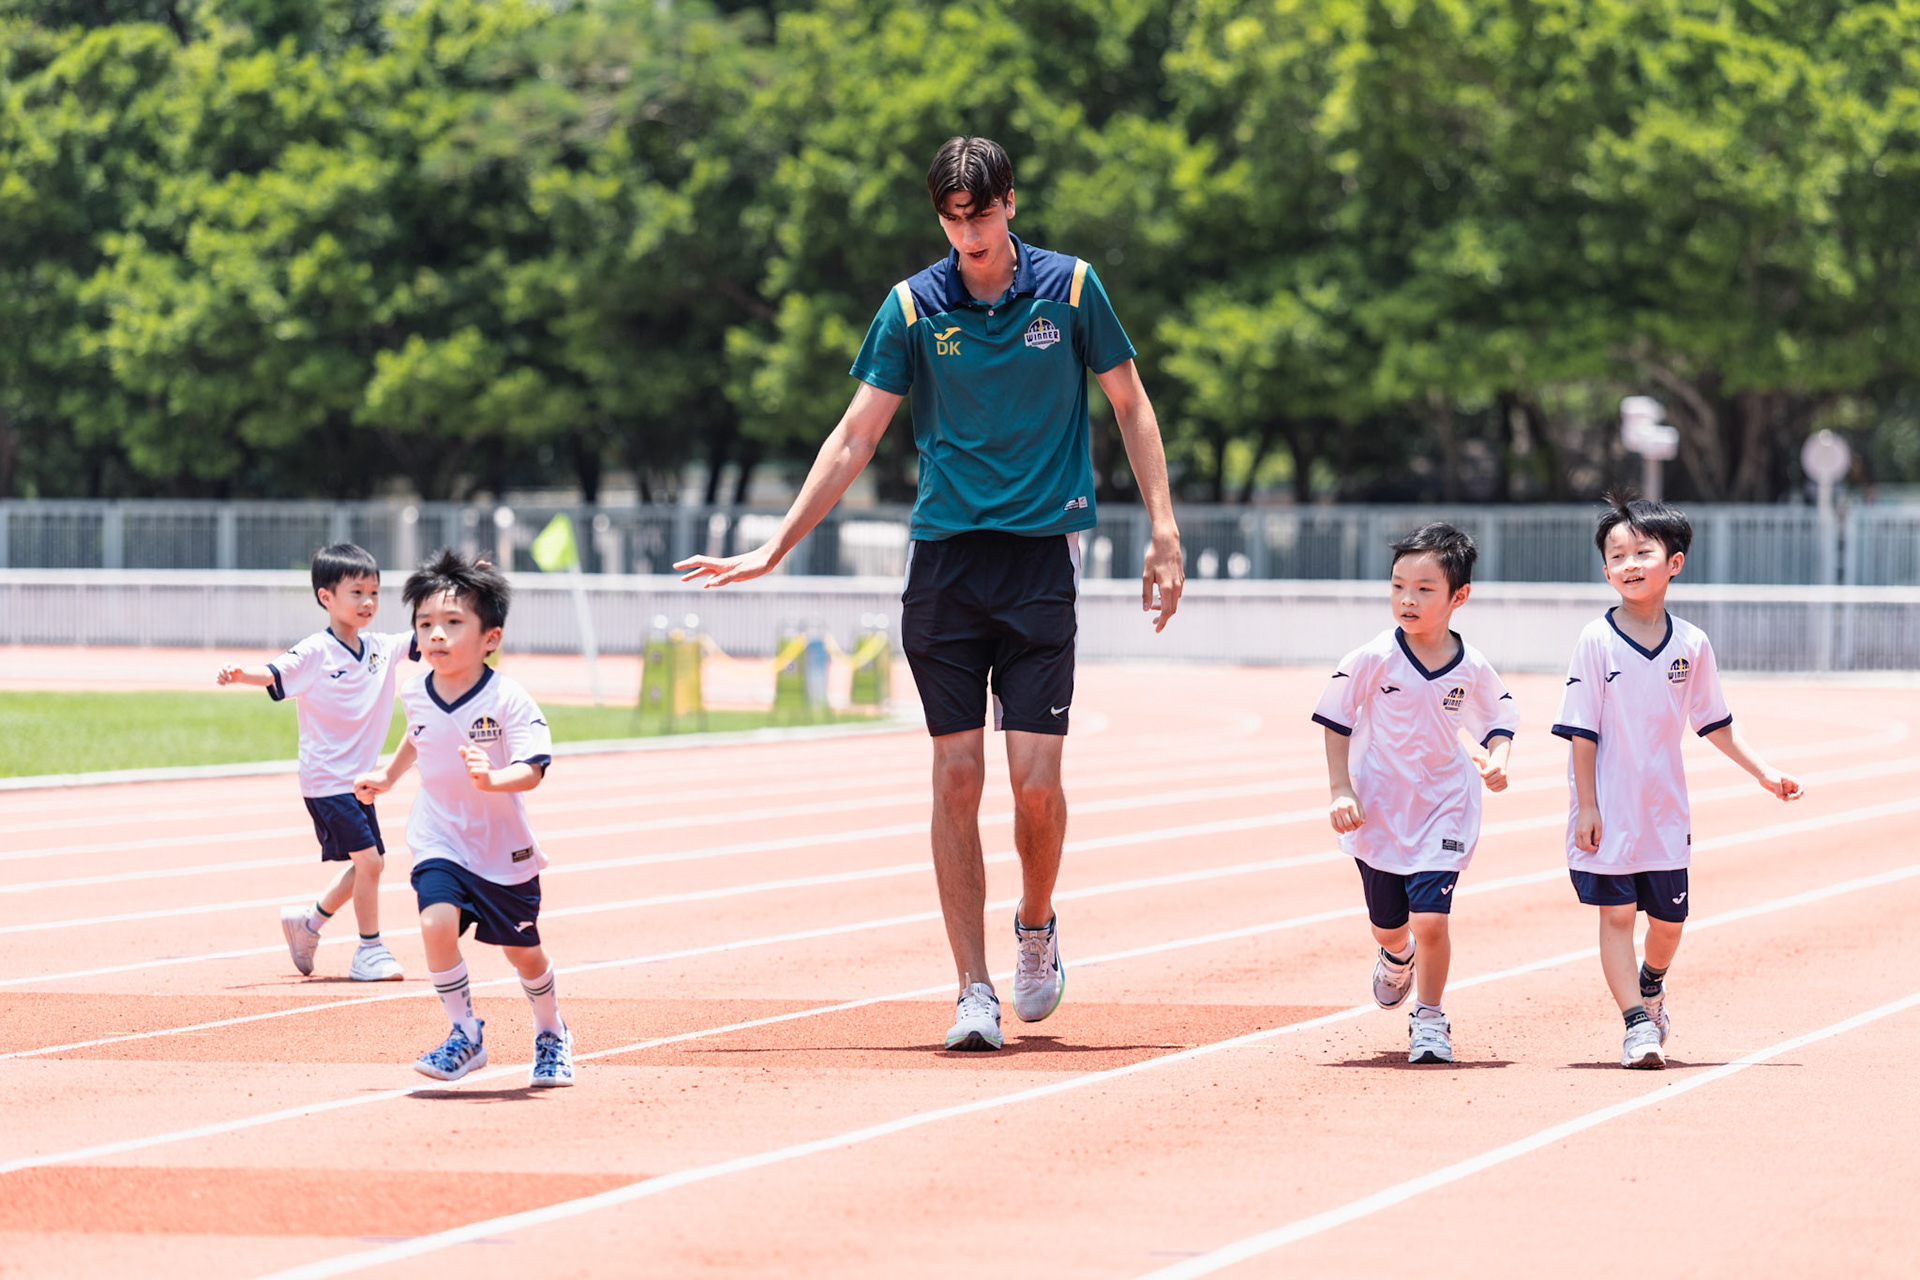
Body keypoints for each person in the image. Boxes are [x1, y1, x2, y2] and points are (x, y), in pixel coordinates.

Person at [674, 136, 1185, 1051]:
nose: (969, 235)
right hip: (944, 563)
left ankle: (1036, 926)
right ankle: (974, 988)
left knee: (1035, 788)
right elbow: (853, 437)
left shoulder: (1070, 289)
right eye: (952, 219)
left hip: (1038, 562)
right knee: (957, 774)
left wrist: (1164, 529)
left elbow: (1131, 403)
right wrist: (776, 546)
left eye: (982, 216)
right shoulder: (912, 306)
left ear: (1011, 205)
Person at [1552, 495, 1803, 1069]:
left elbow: (1714, 722)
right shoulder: (1595, 640)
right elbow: (1581, 731)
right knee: (1615, 917)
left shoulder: (1692, 644)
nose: (1630, 563)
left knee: (1669, 923)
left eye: (1643, 551)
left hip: (1664, 812)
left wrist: (1766, 774)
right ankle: (1637, 1024)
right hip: (1608, 810)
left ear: (1675, 563)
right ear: (1606, 569)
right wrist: (1587, 806)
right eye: (1617, 555)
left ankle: (1652, 982)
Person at [354, 550, 572, 1087]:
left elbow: (535, 766)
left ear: (490, 639)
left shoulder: (508, 697)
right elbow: (419, 735)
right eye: (425, 624)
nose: (436, 636)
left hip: (502, 848)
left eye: (454, 623)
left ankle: (551, 1031)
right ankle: (465, 1034)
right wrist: (388, 776)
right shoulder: (415, 689)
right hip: (439, 835)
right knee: (434, 923)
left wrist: (494, 779)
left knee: (522, 952)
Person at [1313, 523, 1517, 1064]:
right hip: (1378, 811)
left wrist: (1497, 761)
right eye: (1398, 585)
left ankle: (1429, 1017)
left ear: (1459, 596)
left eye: (1425, 588)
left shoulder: (1470, 666)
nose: (1408, 598)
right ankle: (1395, 956)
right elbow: (1335, 718)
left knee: (1431, 919)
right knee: (1390, 924)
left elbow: (1499, 720)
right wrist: (1340, 788)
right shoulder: (1373, 657)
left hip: (1445, 808)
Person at [217, 543, 413, 983]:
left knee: (370, 861)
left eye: (375, 593)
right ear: (326, 597)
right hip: (327, 779)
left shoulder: (381, 648)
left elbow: (430, 637)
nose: (368, 603)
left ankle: (309, 924)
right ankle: (369, 950)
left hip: (359, 781)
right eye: (357, 592)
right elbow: (272, 672)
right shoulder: (314, 653)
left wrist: (465, 595)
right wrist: (239, 674)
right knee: (372, 863)